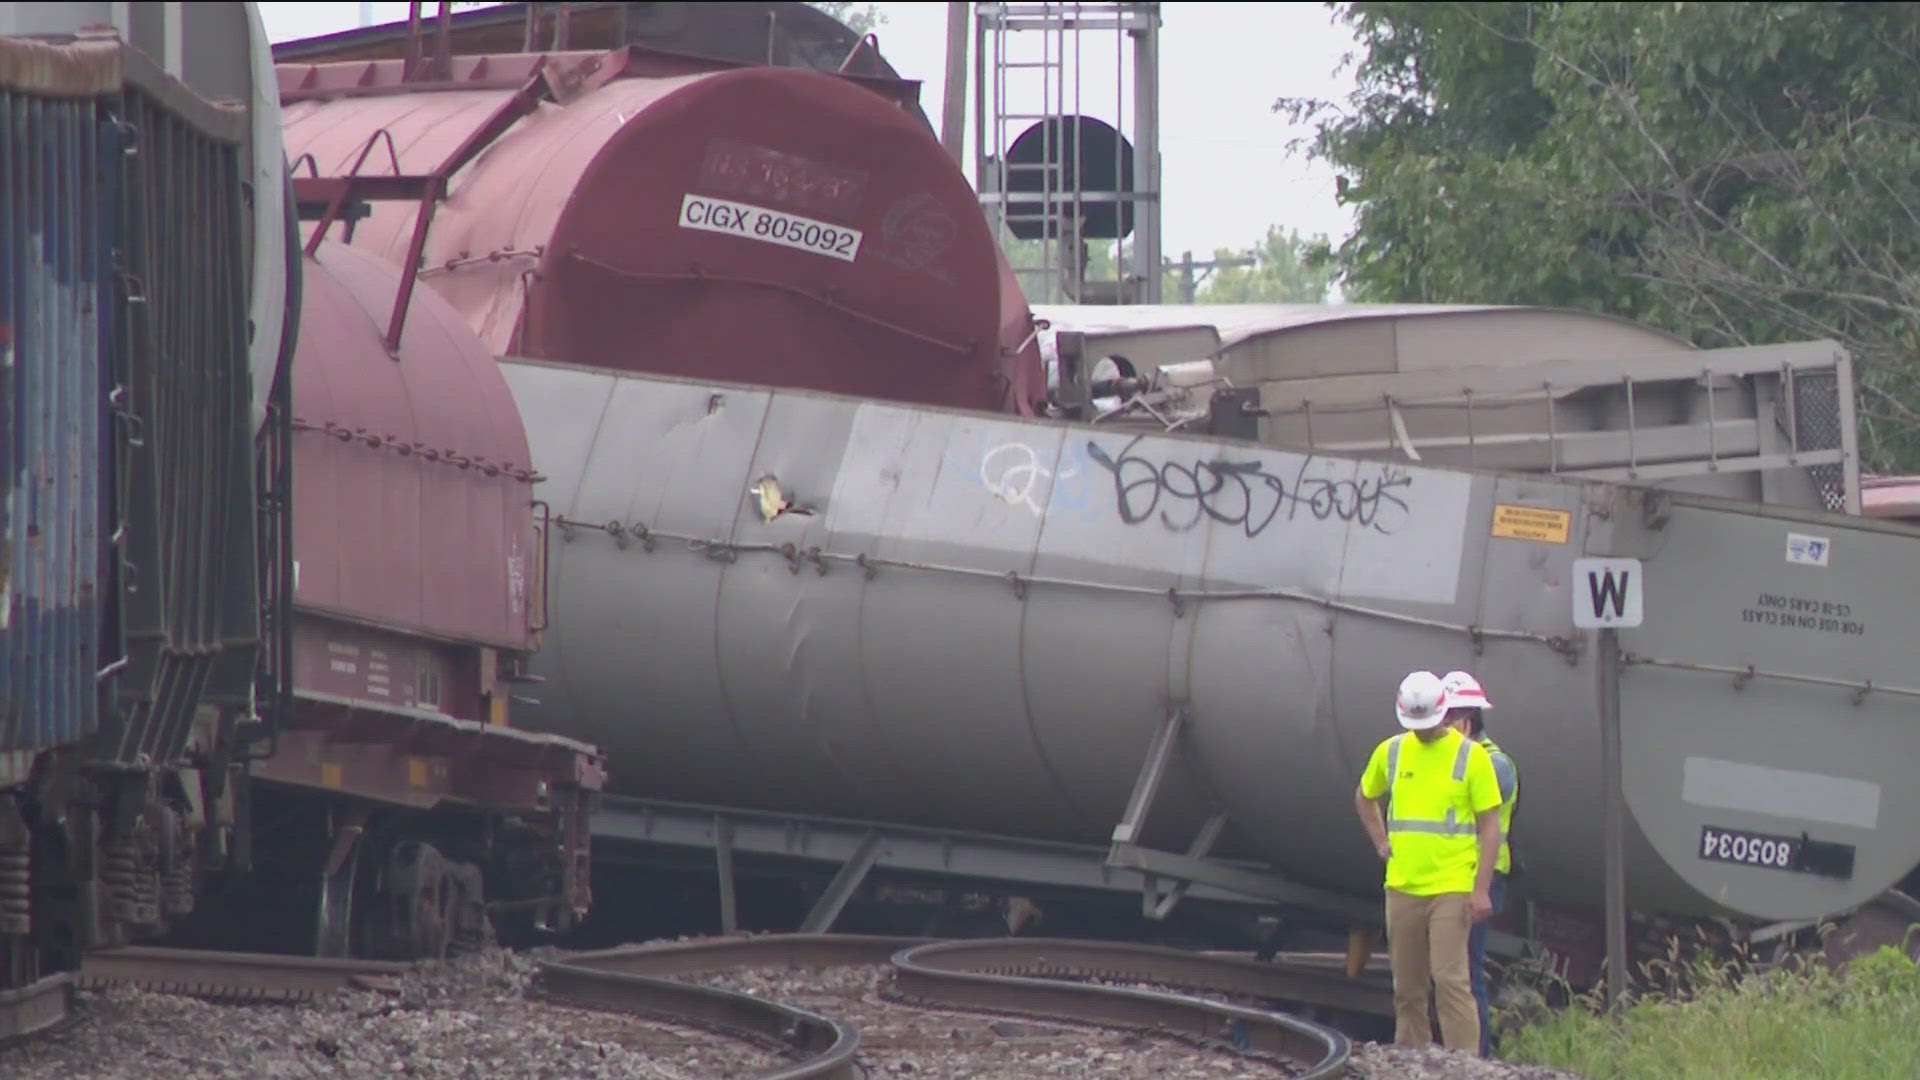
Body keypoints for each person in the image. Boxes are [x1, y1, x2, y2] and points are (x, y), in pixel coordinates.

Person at [1354, 670, 1504, 1052]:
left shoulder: (1471, 758)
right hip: (1403, 885)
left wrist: (1481, 889)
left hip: (1451, 886)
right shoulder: (1391, 751)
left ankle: (1463, 1065)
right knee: (1407, 986)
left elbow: (1491, 826)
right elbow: (1364, 795)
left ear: (1446, 715)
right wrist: (1380, 841)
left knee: (1450, 980)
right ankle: (1411, 1061)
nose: (1421, 731)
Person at [1442, 670, 1518, 1058]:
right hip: (1452, 875)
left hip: (1480, 879)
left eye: (1446, 718)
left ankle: (1478, 1058)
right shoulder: (1455, 759)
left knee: (1468, 972)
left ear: (1465, 720)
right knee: (1450, 971)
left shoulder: (1494, 765)